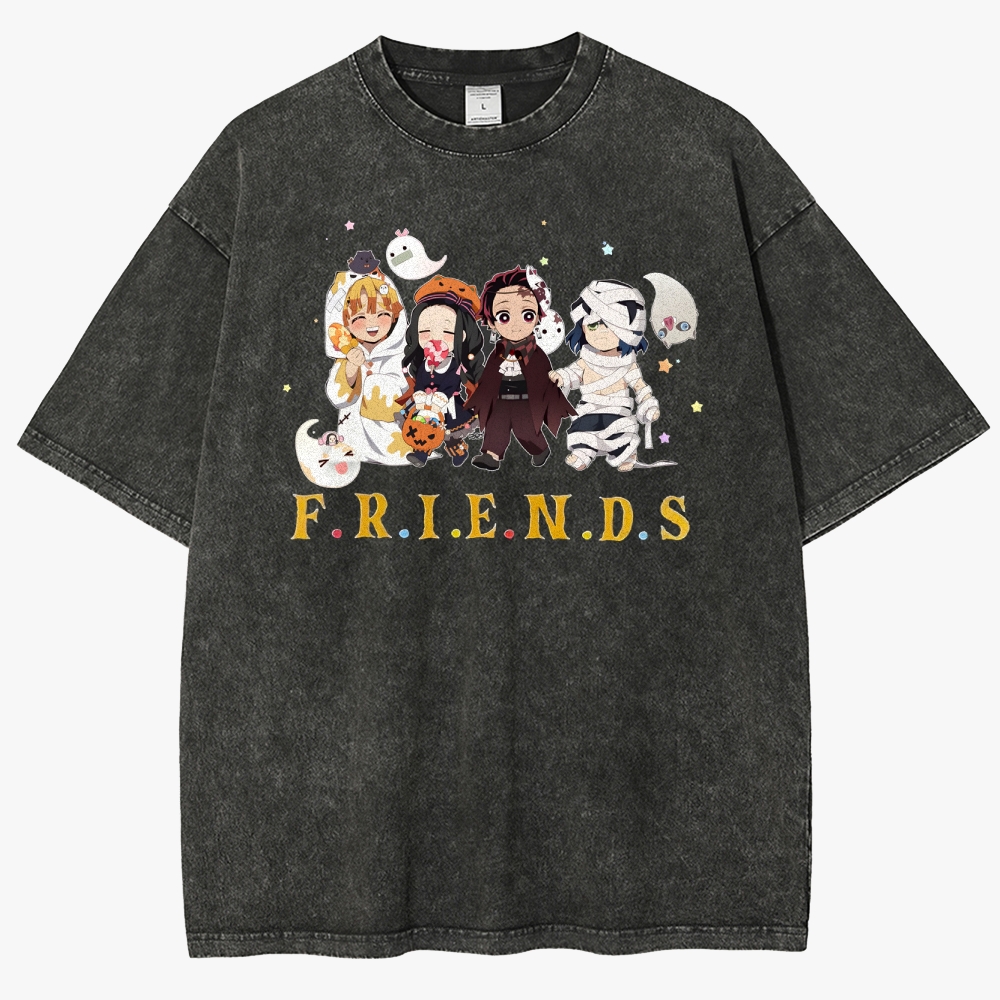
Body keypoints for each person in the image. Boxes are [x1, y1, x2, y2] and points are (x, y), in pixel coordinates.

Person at [549, 279, 665, 471]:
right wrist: (561, 377)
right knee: (581, 430)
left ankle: (626, 455)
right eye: (593, 326)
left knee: (621, 434)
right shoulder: (585, 360)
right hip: (589, 409)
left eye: (609, 326)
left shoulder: (628, 364)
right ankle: (583, 453)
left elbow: (639, 386)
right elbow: (573, 374)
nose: (600, 333)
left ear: (627, 331)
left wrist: (648, 405)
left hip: (617, 411)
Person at [466, 266, 575, 470]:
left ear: (538, 317)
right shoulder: (498, 352)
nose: (516, 325)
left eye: (527, 315)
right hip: (501, 400)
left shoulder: (537, 354)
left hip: (525, 401)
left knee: (525, 431)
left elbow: (543, 379)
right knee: (495, 426)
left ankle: (540, 449)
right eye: (504, 317)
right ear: (492, 322)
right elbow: (489, 378)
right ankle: (491, 455)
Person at [324, 260, 411, 464]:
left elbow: (407, 391)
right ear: (346, 320)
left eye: (382, 314)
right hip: (355, 442)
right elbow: (337, 397)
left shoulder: (401, 355)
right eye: (360, 316)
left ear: (395, 317)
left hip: (394, 440)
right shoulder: (347, 357)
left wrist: (379, 386)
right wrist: (351, 369)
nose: (372, 323)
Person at [396, 276, 485, 467]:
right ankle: (420, 454)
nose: (435, 338)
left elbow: (452, 383)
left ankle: (459, 451)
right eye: (425, 331)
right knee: (420, 426)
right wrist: (420, 394)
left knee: (450, 433)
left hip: (447, 403)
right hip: (423, 401)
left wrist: (439, 398)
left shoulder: (455, 364)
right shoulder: (423, 362)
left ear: (462, 335)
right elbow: (420, 380)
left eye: (447, 331)